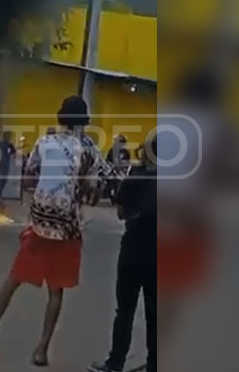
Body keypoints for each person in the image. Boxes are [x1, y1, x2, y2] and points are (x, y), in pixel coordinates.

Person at [0, 96, 107, 367]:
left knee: (13, 279)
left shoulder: (45, 142)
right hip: (68, 229)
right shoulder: (89, 151)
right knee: (56, 291)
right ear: (83, 123)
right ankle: (41, 351)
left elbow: (28, 179)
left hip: (39, 224)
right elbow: (92, 190)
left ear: (61, 119)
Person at [89, 136, 157, 372]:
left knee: (124, 311)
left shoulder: (135, 178)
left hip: (133, 250)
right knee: (155, 313)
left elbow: (120, 213)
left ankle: (115, 363)